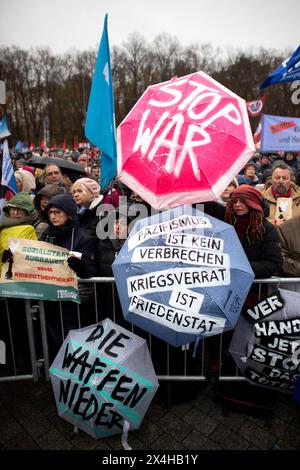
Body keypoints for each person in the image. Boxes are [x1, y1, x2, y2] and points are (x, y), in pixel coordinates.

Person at [39, 194, 97, 359]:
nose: (53, 216)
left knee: (76, 344)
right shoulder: (46, 236)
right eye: (50, 213)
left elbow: (91, 271)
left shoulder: (84, 238)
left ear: (69, 213)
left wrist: (81, 267)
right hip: (51, 300)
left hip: (73, 304)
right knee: (56, 341)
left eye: (58, 212)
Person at [262, 162, 300, 226]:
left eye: (285, 178)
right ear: (271, 179)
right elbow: (255, 222)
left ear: (291, 179)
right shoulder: (260, 198)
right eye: (277, 178)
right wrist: (274, 224)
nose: (281, 181)